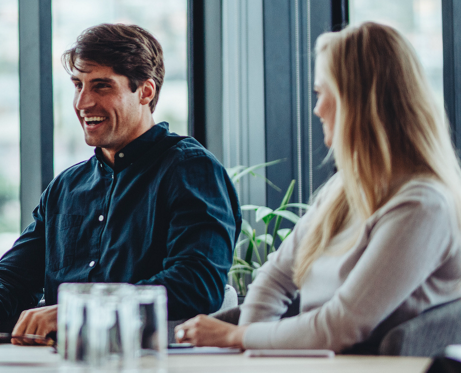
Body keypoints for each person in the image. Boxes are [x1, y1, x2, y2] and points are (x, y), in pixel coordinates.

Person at [176, 22, 461, 352]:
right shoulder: (344, 189)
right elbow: (276, 277)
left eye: (321, 93)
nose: (316, 108)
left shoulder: (422, 206)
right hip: (323, 372)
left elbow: (341, 326)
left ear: (356, 102)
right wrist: (251, 350)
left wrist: (236, 336)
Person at [0, 23, 240, 344]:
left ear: (145, 92)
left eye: (102, 86)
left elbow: (196, 284)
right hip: (58, 369)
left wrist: (79, 310)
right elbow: (16, 273)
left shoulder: (191, 169)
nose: (82, 103)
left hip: (153, 372)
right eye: (78, 85)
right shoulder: (66, 186)